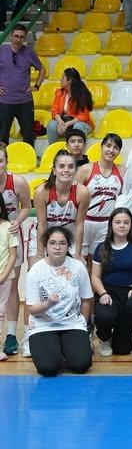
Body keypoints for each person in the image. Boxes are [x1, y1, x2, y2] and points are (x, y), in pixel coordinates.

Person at [25, 226, 93, 376]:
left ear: (68, 246)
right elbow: (32, 309)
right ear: (46, 246)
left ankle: (67, 349)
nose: (57, 247)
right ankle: (56, 350)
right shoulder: (36, 270)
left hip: (72, 324)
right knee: (47, 369)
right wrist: (48, 304)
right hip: (44, 325)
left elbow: (86, 300)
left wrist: (82, 324)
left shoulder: (78, 267)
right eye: (53, 243)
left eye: (62, 243)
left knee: (81, 365)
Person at [91, 208, 132, 359]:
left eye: (126, 222)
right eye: (118, 222)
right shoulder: (101, 247)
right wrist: (103, 293)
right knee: (104, 317)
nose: (122, 225)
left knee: (123, 349)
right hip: (108, 292)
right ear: (111, 225)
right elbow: (95, 276)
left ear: (131, 225)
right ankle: (104, 339)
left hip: (129, 293)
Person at [33, 150, 89, 261]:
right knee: (36, 269)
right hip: (42, 236)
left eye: (71, 166)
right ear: (54, 170)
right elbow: (42, 225)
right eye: (62, 166)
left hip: (68, 237)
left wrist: (78, 253)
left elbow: (79, 225)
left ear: (76, 170)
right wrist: (40, 254)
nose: (66, 170)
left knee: (77, 268)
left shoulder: (83, 192)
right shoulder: (41, 192)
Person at [0, 145, 30, 356]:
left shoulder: (17, 182)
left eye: (0, 160)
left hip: (9, 236)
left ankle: (11, 335)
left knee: (10, 286)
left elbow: (27, 206)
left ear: (7, 161)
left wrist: (16, 222)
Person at [76, 134, 125, 259]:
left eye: (115, 147)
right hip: (84, 222)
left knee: (97, 264)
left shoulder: (122, 171)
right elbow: (74, 196)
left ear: (119, 152)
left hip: (106, 224)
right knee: (80, 263)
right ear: (101, 147)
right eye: (108, 145)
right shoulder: (86, 169)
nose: (111, 150)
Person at [0, 24, 44, 146]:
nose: (18, 39)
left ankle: (30, 160)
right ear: (11, 36)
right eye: (16, 36)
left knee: (28, 135)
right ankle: (2, 163)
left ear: (24, 38)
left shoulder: (29, 53)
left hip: (25, 101)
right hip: (4, 101)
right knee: (2, 136)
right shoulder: (1, 50)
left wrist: (36, 86)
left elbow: (42, 69)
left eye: (21, 37)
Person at [46, 67, 93, 144]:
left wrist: (67, 124)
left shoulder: (82, 93)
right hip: (64, 121)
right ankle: (53, 151)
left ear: (69, 80)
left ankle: (78, 154)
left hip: (79, 123)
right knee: (52, 124)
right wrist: (60, 121)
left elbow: (83, 116)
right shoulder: (59, 92)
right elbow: (55, 110)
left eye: (63, 78)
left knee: (78, 126)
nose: (60, 80)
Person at [0, 194, 18, 362]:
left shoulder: (9, 227)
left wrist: (4, 276)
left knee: (0, 313)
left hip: (4, 278)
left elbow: (13, 255)